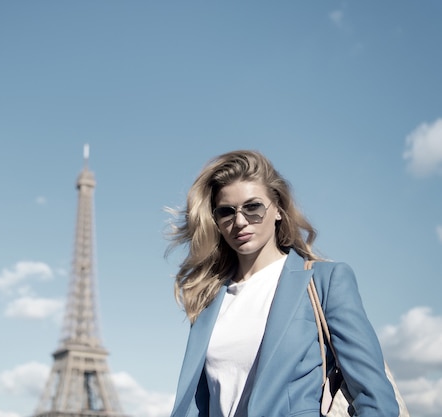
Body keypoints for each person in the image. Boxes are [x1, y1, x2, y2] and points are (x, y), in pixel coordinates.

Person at [166, 150, 398, 417]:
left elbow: (374, 398)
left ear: (277, 209)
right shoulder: (208, 301)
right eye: (227, 212)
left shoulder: (326, 281)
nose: (239, 222)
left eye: (253, 207)